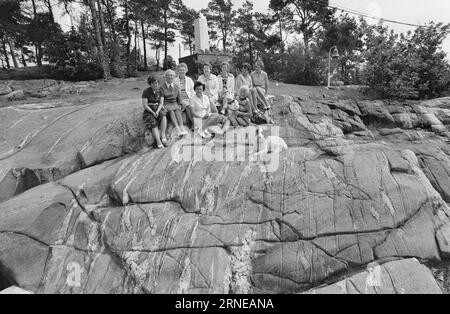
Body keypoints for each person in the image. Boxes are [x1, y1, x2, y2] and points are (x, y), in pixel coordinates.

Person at [142, 75, 168, 149]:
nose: (155, 85)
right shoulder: (146, 91)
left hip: (158, 108)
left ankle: (163, 135)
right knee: (153, 123)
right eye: (153, 83)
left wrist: (157, 111)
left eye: (156, 83)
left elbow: (161, 103)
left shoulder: (160, 90)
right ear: (150, 84)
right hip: (149, 109)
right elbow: (145, 105)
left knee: (163, 116)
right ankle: (158, 141)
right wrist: (153, 112)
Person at [160, 69, 188, 136]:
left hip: (174, 103)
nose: (170, 77)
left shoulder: (176, 86)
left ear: (174, 77)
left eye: (172, 75)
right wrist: (163, 107)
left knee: (177, 110)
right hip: (166, 103)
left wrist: (180, 105)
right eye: (168, 75)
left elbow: (179, 98)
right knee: (172, 111)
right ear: (165, 77)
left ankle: (182, 128)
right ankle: (177, 129)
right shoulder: (162, 87)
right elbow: (161, 100)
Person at [174, 63, 195, 130]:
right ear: (177, 71)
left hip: (189, 98)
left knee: (189, 106)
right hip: (180, 100)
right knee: (188, 106)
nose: (182, 72)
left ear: (186, 71)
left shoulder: (189, 80)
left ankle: (193, 124)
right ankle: (194, 124)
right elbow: (173, 93)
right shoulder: (174, 81)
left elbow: (193, 90)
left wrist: (191, 99)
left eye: (183, 70)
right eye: (180, 70)